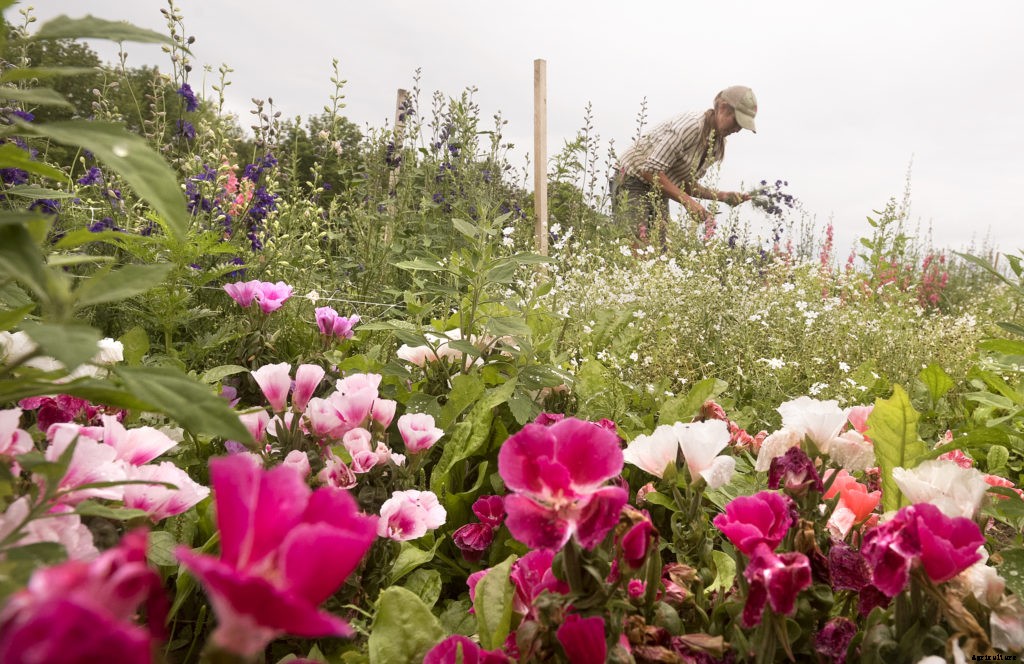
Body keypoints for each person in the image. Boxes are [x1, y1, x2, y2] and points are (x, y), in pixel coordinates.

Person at [612, 85, 757, 244]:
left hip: (658, 188)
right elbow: (649, 170)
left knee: (659, 250)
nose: (737, 129)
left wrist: (721, 196)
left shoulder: (717, 146)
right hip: (633, 180)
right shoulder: (692, 125)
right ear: (722, 108)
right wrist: (688, 202)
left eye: (741, 126)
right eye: (736, 121)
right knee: (635, 247)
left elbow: (683, 184)